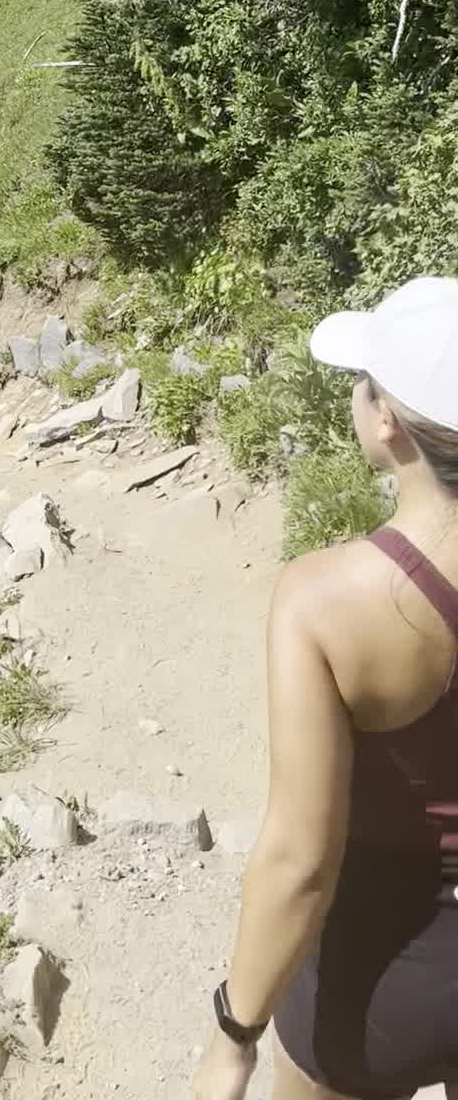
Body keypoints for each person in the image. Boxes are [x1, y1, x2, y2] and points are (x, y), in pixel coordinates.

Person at [196, 276, 458, 1100]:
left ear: (387, 421)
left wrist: (234, 1035)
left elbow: (299, 860)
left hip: (382, 971)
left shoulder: (323, 599)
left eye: (362, 380)